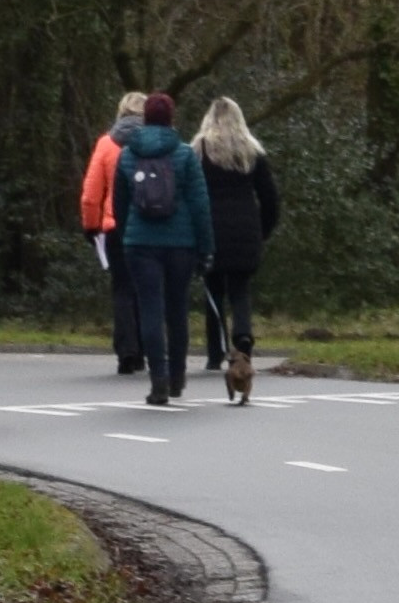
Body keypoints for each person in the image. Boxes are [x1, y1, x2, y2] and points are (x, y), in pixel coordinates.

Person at [113, 90, 213, 404]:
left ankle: (158, 379)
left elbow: (119, 204)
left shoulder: (127, 155)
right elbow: (200, 204)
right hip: (181, 244)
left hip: (140, 243)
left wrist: (127, 234)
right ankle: (177, 377)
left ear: (145, 118)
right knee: (177, 309)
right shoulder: (185, 155)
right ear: (171, 118)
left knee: (150, 309)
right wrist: (206, 248)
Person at [192, 95, 285, 406]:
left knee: (213, 290)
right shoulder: (251, 152)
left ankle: (216, 351)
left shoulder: (199, 151)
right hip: (246, 229)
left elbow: (190, 194)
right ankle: (243, 338)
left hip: (211, 228)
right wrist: (263, 230)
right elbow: (270, 198)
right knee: (241, 290)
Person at [80, 92, 151, 372]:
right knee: (148, 288)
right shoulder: (159, 144)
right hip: (152, 224)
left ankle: (127, 352)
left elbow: (91, 194)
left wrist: (91, 225)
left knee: (122, 288)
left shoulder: (107, 144)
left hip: (116, 225)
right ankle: (147, 347)